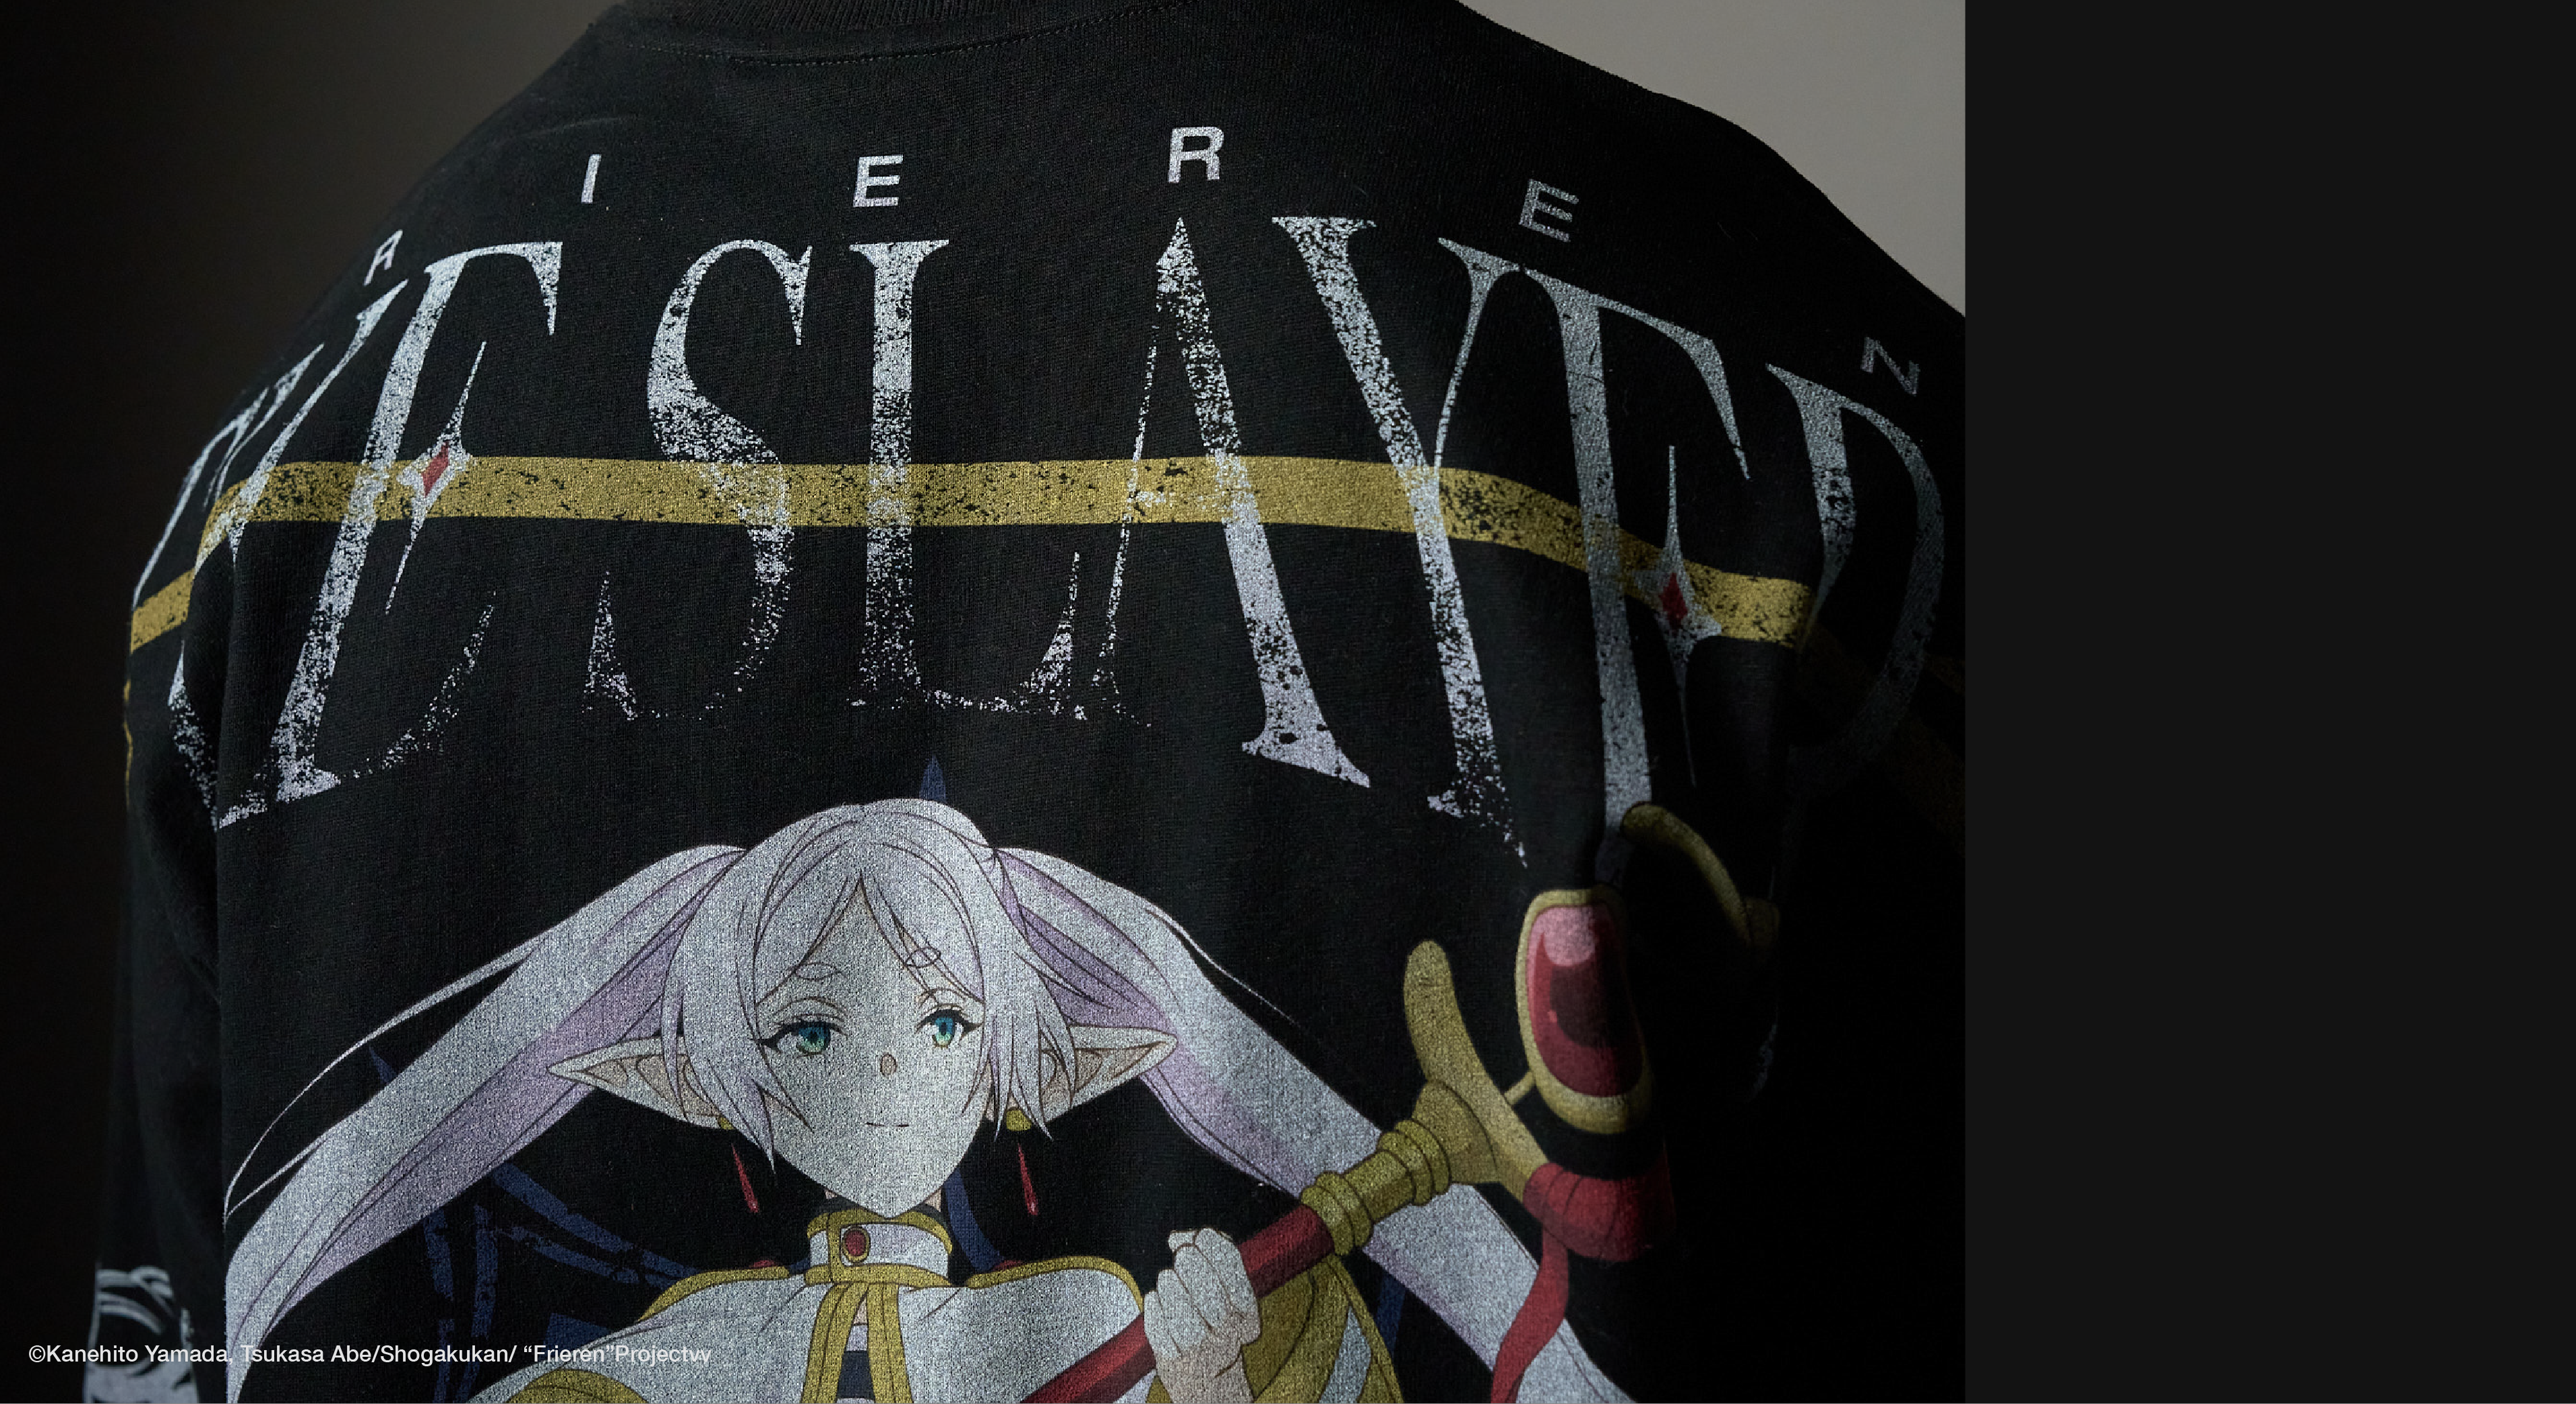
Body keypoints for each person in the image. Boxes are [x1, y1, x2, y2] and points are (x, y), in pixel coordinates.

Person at [100, 2, 1961, 1399]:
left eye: (935, 1019)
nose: (888, 1072)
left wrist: (1240, 1352)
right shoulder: (1814, 407)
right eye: (813, 1029)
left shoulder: (283, 480)